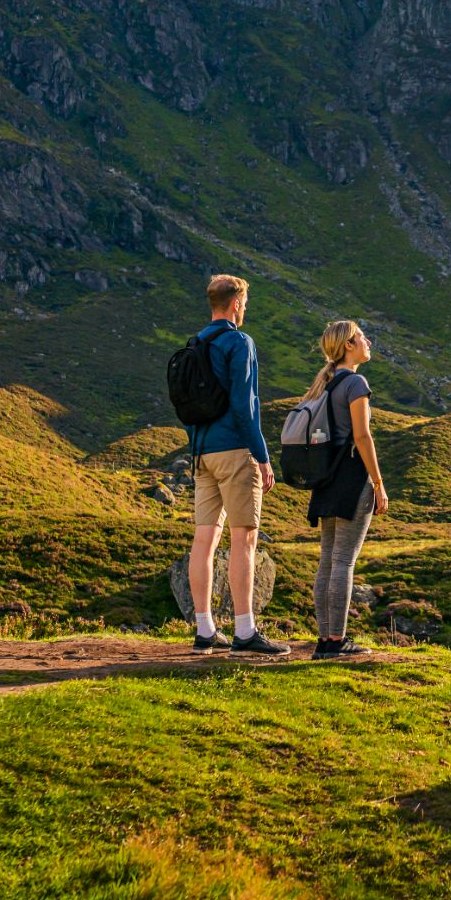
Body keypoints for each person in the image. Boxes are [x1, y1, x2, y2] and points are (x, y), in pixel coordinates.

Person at [185, 274, 284, 655]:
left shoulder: (196, 342)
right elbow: (246, 406)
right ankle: (245, 630)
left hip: (201, 451)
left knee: (204, 539)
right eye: (245, 304)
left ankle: (205, 629)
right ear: (236, 304)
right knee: (244, 537)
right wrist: (261, 455)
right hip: (234, 451)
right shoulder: (239, 342)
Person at [304, 319, 386, 660]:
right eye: (361, 337)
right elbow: (362, 436)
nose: (367, 341)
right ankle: (337, 641)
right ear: (348, 345)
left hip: (326, 480)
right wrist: (378, 483)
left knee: (327, 562)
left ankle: (325, 640)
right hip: (353, 479)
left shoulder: (326, 383)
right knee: (343, 562)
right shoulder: (355, 383)